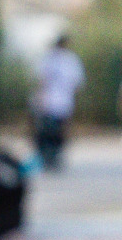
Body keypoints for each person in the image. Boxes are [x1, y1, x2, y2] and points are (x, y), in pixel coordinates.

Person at [32, 39, 84, 170]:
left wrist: (39, 97)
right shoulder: (72, 60)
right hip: (64, 102)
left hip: (48, 101)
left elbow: (41, 80)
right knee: (59, 131)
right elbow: (77, 83)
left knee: (46, 131)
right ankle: (54, 157)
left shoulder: (48, 58)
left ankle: (47, 157)